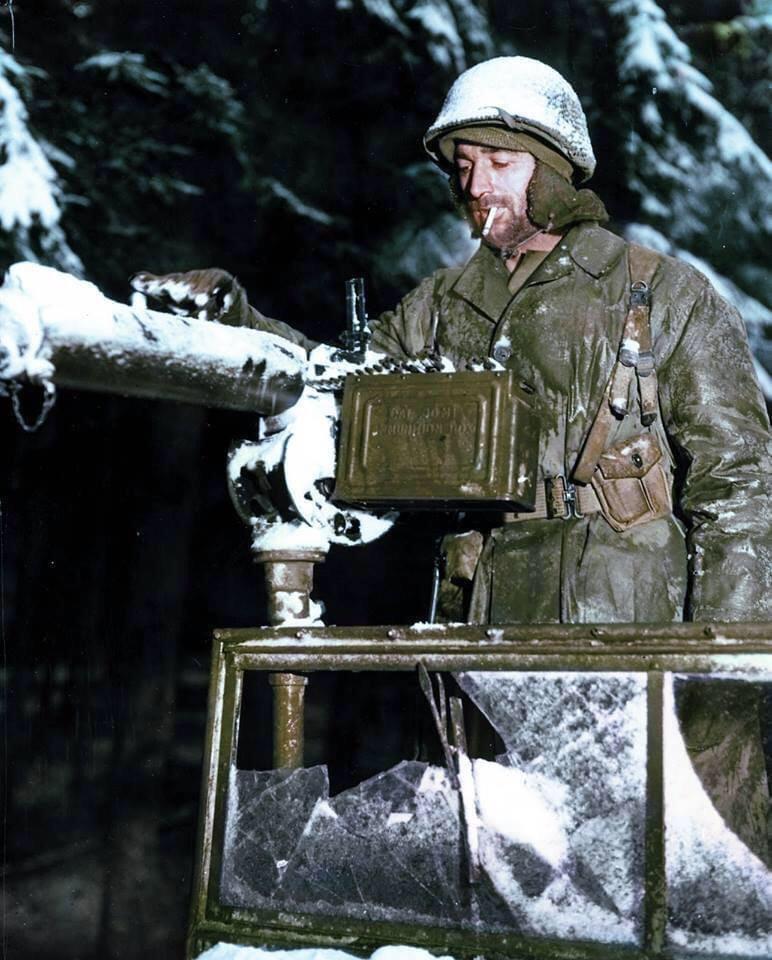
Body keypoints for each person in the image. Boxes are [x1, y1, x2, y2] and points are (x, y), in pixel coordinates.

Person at [133, 56, 771, 855]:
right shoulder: (441, 303)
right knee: (494, 866)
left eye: (499, 162)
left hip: (624, 638)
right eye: (464, 166)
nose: (476, 185)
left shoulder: (660, 293)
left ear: (557, 166)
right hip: (474, 630)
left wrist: (726, 670)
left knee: (634, 867)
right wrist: (238, 322)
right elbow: (341, 393)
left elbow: (741, 483)